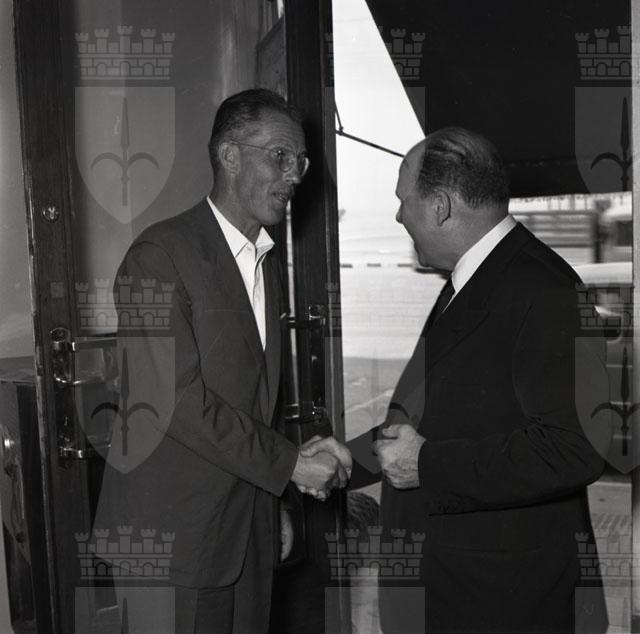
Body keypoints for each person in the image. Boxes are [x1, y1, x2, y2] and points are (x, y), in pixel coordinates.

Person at [94, 88, 351, 634]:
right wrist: (290, 465)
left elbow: (254, 403)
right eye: (280, 156)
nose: (295, 175)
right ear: (230, 156)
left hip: (245, 533)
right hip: (172, 543)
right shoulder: (157, 259)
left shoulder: (265, 262)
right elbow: (176, 402)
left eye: (301, 161)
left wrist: (275, 503)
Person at [367, 127, 611, 633]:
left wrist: (427, 464)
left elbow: (576, 448)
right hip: (465, 593)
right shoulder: (473, 278)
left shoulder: (543, 289)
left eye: (403, 200)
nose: (398, 216)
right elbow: (432, 418)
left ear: (440, 206)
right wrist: (349, 460)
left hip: (502, 604)